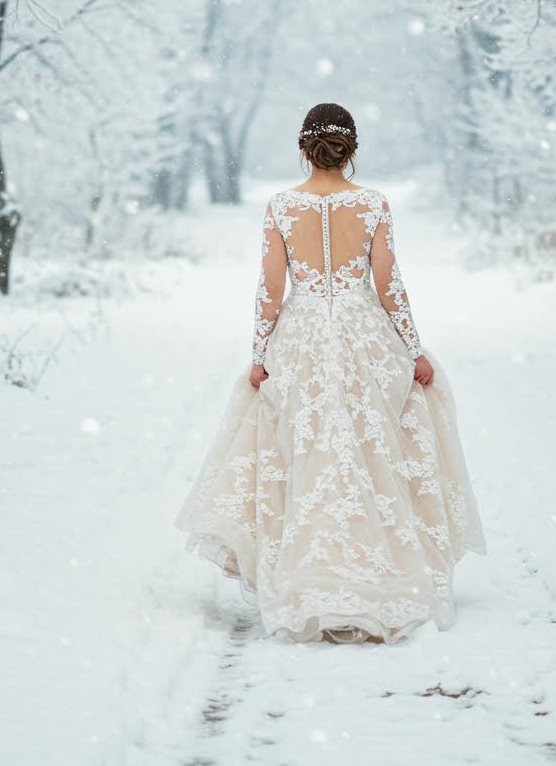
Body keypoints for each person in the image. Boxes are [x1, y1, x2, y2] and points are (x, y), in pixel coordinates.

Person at [175, 102, 486, 643]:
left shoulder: (280, 207)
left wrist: (260, 355)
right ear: (352, 150)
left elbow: (272, 289)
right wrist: (414, 350)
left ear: (303, 148)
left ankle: (310, 575)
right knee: (374, 449)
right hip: (365, 334)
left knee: (306, 449)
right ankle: (381, 573)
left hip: (302, 336)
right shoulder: (373, 205)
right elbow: (388, 285)